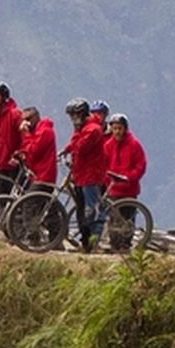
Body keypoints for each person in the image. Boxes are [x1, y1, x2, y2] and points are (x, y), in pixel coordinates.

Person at [61, 98, 106, 251]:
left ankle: (95, 242)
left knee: (93, 210)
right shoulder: (83, 128)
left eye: (74, 115)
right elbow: (73, 145)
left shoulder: (93, 129)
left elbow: (80, 147)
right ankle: (85, 242)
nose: (72, 119)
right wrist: (65, 150)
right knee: (81, 210)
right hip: (80, 174)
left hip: (91, 174)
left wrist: (75, 132)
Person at [16, 106, 63, 242]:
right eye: (24, 120)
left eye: (29, 119)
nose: (26, 122)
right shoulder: (36, 131)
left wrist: (25, 134)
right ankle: (56, 238)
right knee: (47, 206)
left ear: (37, 117)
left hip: (44, 175)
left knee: (28, 203)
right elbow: (27, 149)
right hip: (36, 174)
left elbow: (34, 150)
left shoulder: (45, 131)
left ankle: (33, 236)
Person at [103, 112, 147, 250]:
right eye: (114, 128)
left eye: (119, 128)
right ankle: (114, 245)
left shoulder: (134, 145)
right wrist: (105, 180)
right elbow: (102, 165)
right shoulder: (108, 145)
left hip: (129, 189)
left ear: (125, 128)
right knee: (114, 219)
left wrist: (130, 177)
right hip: (113, 188)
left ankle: (125, 245)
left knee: (128, 218)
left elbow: (141, 165)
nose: (117, 131)